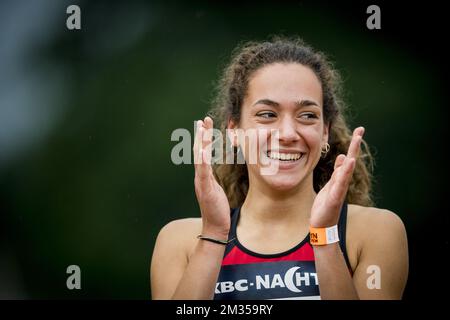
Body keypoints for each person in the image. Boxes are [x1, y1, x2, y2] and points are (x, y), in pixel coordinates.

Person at [150, 36, 408, 300]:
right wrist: (214, 237)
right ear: (234, 131)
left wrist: (324, 239)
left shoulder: (375, 231)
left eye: (307, 116)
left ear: (325, 132)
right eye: (267, 114)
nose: (287, 133)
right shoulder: (179, 241)